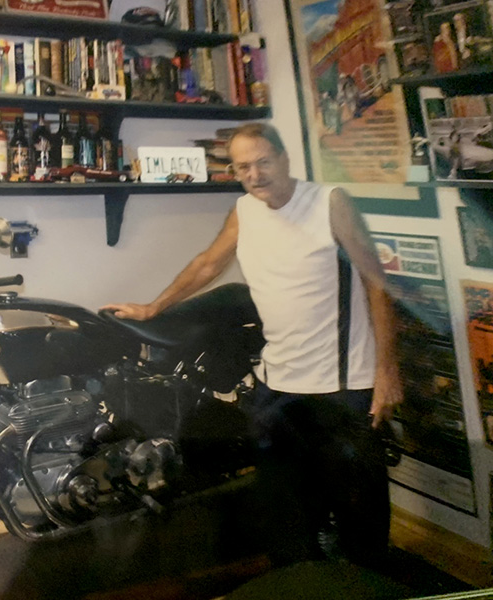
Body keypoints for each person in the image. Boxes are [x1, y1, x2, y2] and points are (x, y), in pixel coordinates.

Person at [102, 123, 403, 566]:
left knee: (360, 518)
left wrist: (387, 372)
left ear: (283, 159)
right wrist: (154, 306)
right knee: (285, 516)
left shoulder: (329, 203)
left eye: (263, 162)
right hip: (277, 385)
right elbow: (208, 264)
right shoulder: (245, 210)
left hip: (341, 385)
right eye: (244, 167)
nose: (256, 174)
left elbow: (377, 283)